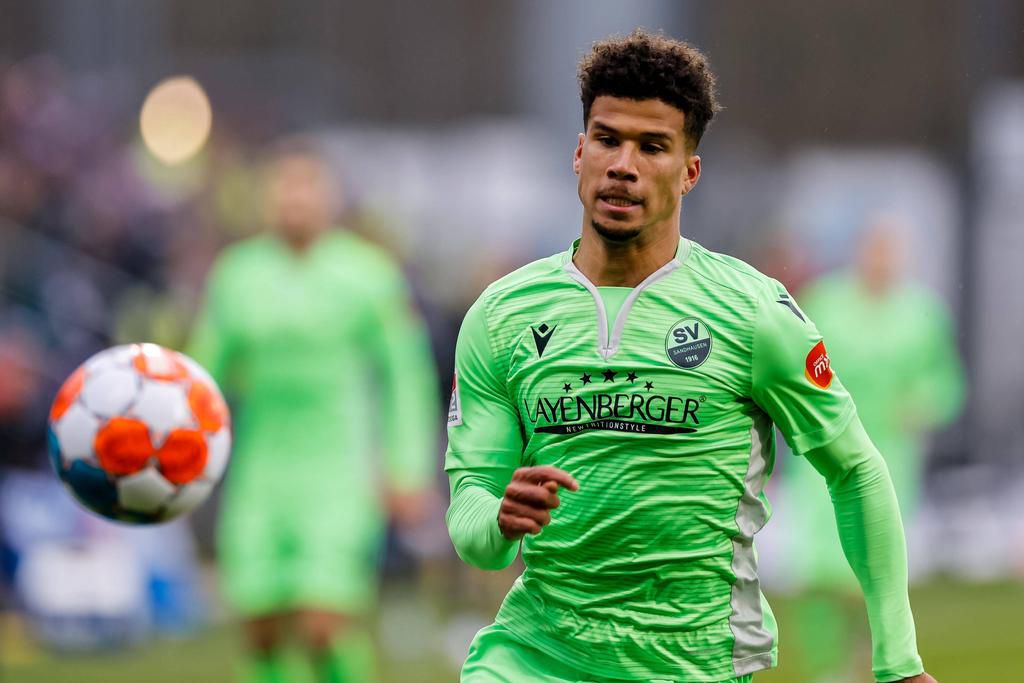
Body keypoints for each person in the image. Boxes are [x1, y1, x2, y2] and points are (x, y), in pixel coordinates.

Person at [444, 29, 937, 683]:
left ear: (689, 172)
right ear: (579, 151)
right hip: (536, 656)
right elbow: (471, 517)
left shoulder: (753, 312)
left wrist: (898, 657)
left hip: (692, 661)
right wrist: (499, 515)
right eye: (608, 138)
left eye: (653, 147)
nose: (624, 164)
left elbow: (856, 471)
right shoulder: (502, 315)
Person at [189, 143, 439, 683]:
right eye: (286, 186)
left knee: (322, 622)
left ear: (330, 198)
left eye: (309, 187)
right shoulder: (236, 275)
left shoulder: (369, 274)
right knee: (261, 624)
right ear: (267, 197)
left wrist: (407, 467)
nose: (296, 199)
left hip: (339, 470)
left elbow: (405, 375)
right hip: (260, 471)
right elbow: (202, 378)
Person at [774, 217, 964, 681]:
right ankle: (827, 667)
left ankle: (873, 658)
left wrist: (922, 404)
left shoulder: (922, 312)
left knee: (876, 563)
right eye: (875, 248)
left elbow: (947, 382)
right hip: (826, 452)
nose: (882, 259)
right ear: (859, 251)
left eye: (892, 250)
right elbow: (794, 362)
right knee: (822, 567)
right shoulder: (825, 302)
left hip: (891, 454)